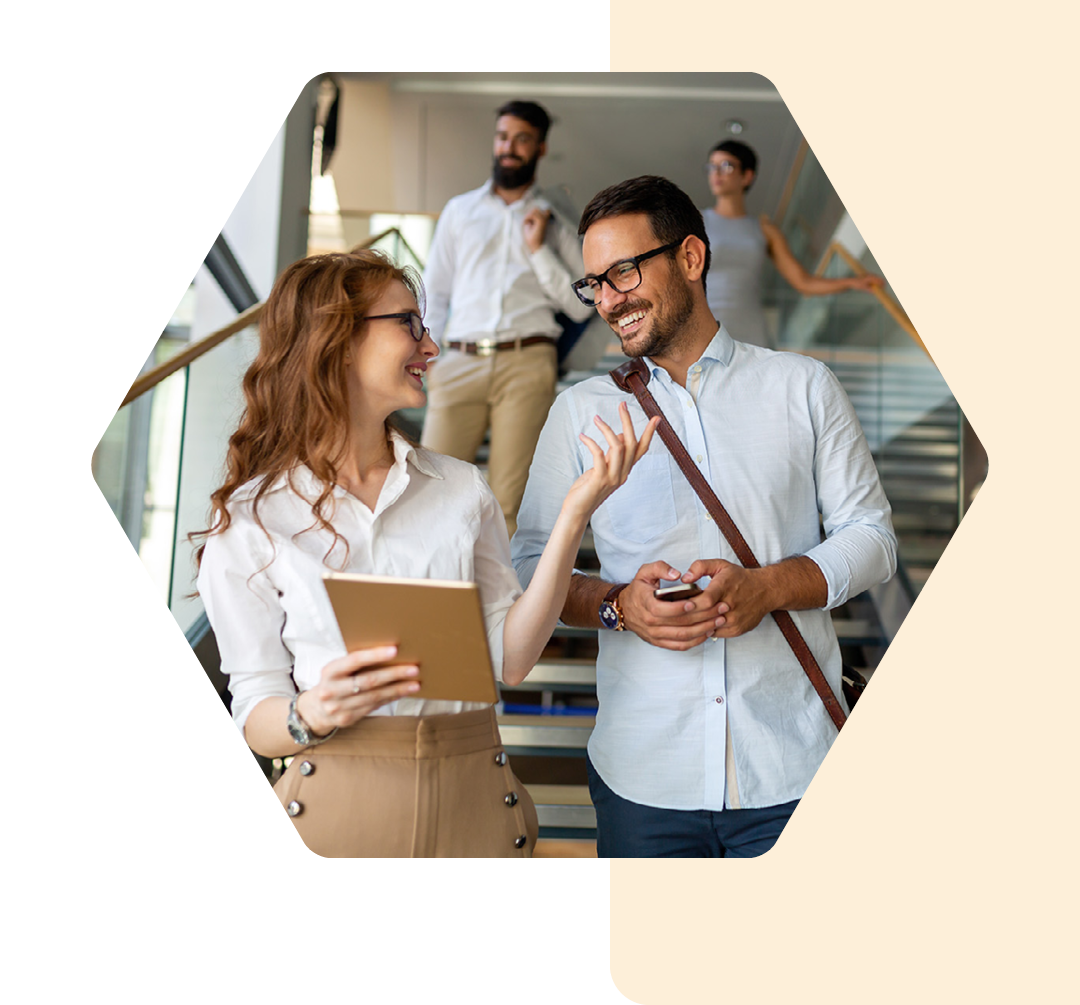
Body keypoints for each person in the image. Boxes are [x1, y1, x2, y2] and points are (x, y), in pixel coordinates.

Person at [194, 249, 657, 858]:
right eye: (409, 323)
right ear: (335, 339)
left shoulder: (461, 489)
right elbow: (255, 710)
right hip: (331, 819)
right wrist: (311, 710)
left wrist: (576, 512)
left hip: (477, 808)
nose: (432, 346)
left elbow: (512, 661)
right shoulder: (253, 518)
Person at [511, 176, 897, 858]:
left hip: (795, 769)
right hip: (643, 777)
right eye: (593, 283)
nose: (607, 300)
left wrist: (768, 587)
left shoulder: (802, 385)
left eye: (623, 272)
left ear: (691, 256)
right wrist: (617, 605)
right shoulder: (579, 412)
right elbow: (528, 565)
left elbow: (872, 538)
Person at [420, 100, 593, 538]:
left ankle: (502, 606)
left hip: (526, 362)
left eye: (521, 139)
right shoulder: (460, 211)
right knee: (427, 490)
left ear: (540, 148)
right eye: (502, 137)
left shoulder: (553, 223)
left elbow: (583, 302)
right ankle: (435, 598)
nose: (509, 147)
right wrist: (432, 359)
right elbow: (434, 292)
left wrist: (539, 251)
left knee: (509, 502)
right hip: (457, 361)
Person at [702, 139, 883, 347]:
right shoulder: (695, 223)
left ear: (747, 176)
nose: (716, 173)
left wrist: (851, 282)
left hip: (751, 333)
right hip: (706, 331)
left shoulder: (765, 230)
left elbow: (803, 282)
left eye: (726, 166)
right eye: (711, 166)